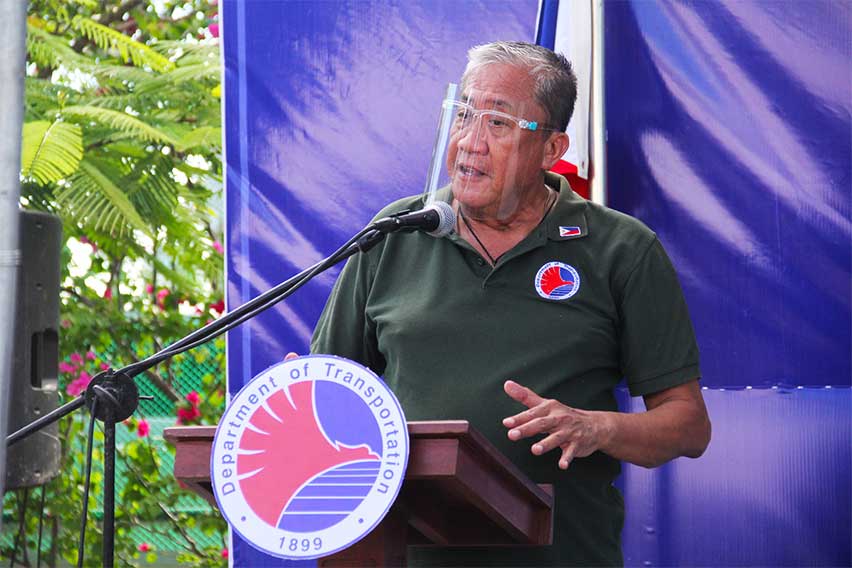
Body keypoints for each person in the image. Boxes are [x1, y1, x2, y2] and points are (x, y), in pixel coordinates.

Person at [309, 41, 711, 566]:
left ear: (552, 149)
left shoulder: (621, 250)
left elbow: (688, 425)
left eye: (498, 124)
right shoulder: (395, 234)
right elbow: (329, 385)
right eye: (465, 114)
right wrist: (307, 397)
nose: (471, 142)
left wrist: (596, 427)